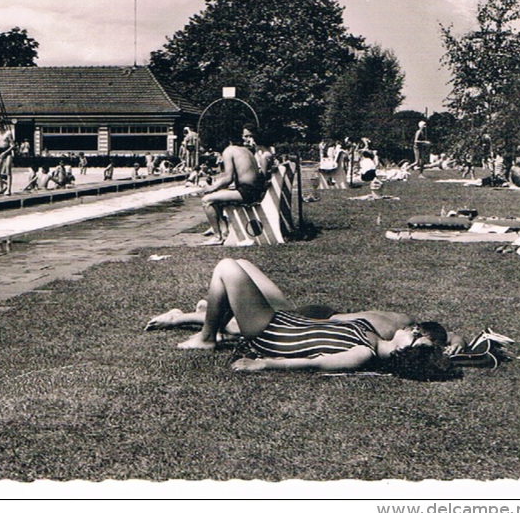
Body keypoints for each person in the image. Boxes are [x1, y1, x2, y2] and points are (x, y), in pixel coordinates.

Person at [150, 258, 462, 380]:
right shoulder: (372, 333)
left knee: (228, 268)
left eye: (415, 334)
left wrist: (264, 364)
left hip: (269, 331)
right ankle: (211, 315)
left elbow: (314, 363)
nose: (412, 328)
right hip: (283, 319)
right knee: (241, 264)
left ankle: (206, 338)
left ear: (406, 351)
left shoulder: (363, 354)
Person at [199, 125, 267, 245]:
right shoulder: (246, 151)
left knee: (207, 200)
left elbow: (228, 178)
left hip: (248, 192)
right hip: (253, 190)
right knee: (217, 197)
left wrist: (211, 188)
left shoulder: (229, 151)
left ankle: (217, 237)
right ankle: (224, 231)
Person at [0, 119, 15, 196]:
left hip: (7, 151)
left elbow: (13, 145)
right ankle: (0, 188)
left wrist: (5, 153)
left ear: (2, 125)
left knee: (8, 170)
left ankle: (8, 189)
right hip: (0, 151)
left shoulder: (8, 133)